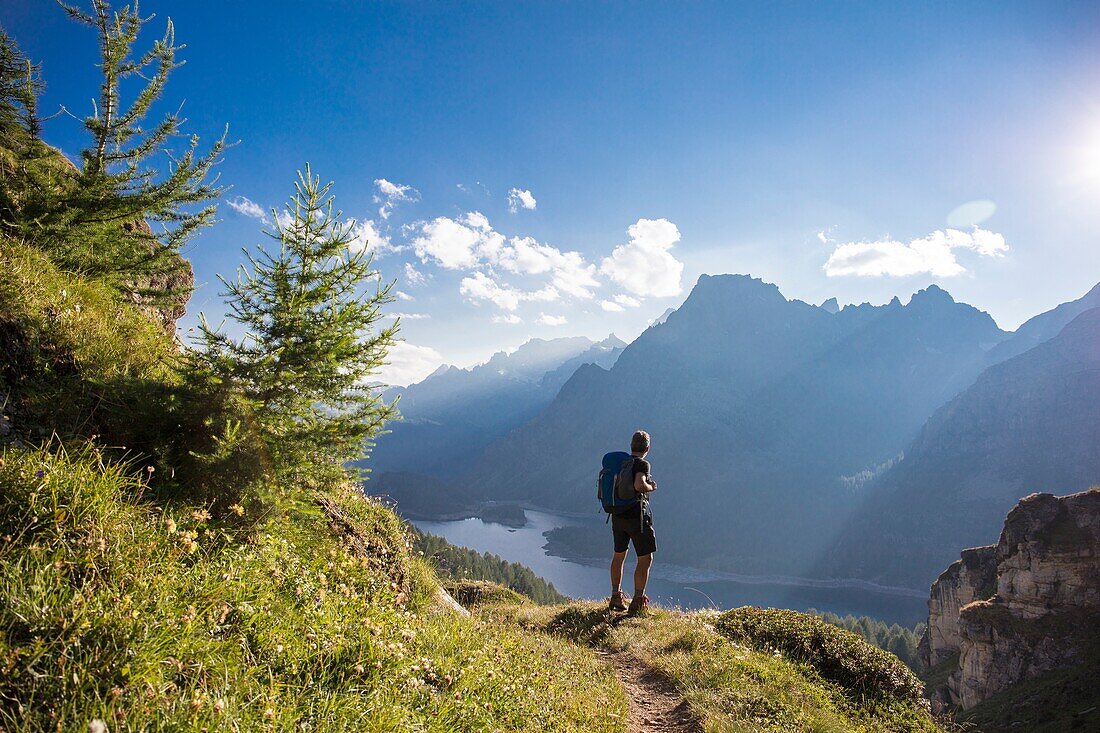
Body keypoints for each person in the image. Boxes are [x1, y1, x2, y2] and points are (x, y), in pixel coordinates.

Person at [609, 429, 657, 615]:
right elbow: (639, 485)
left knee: (619, 556)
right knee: (645, 558)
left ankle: (615, 596)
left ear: (631, 446)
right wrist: (650, 487)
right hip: (636, 517)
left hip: (618, 516)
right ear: (647, 448)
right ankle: (637, 601)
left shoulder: (622, 464)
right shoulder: (642, 464)